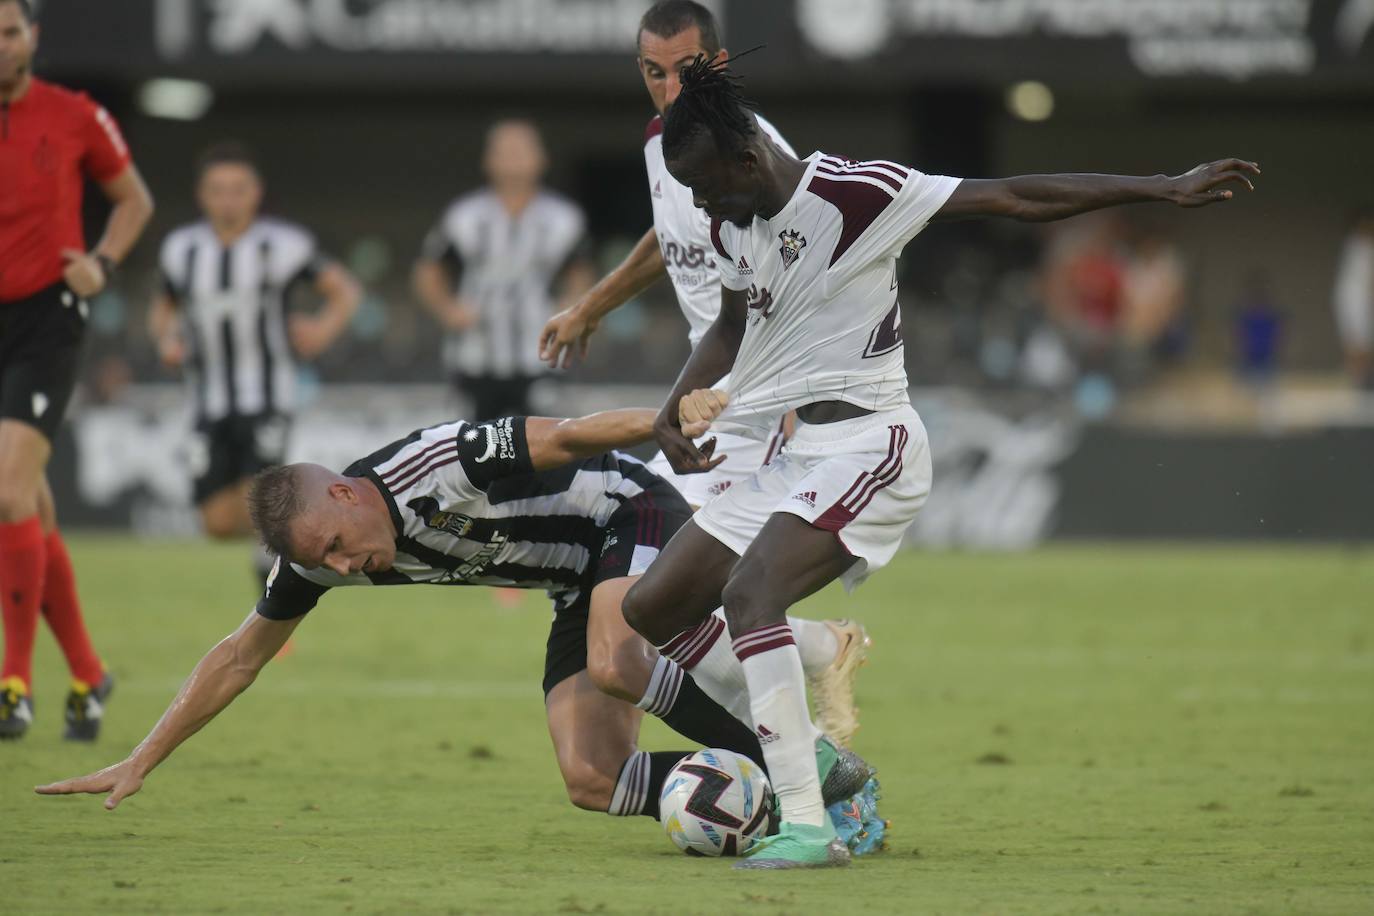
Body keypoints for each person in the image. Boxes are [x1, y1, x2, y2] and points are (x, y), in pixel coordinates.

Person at [619, 56, 1259, 868]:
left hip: (872, 443)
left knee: (751, 595)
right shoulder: (731, 224)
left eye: (708, 186)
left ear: (746, 161)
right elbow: (728, 326)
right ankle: (809, 739)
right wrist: (676, 402)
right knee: (653, 611)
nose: (703, 205)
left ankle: (809, 828)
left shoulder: (858, 196)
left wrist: (1161, 186)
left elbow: (1014, 195)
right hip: (793, 453)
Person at [34, 404, 882, 850]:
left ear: (343, 494)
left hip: (625, 510)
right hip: (565, 581)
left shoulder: (436, 463)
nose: (342, 568)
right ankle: (776, 797)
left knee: (617, 656)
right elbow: (239, 658)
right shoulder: (321, 554)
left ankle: (807, 766)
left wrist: (680, 421)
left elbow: (569, 433)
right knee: (590, 776)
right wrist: (143, 757)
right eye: (321, 564)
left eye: (336, 548)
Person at [538, 0, 870, 745]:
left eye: (684, 72)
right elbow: (670, 237)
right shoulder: (667, 142)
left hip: (761, 399)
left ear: (716, 65)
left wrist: (791, 396)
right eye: (653, 74)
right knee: (670, 605)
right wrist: (591, 307)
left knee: (657, 609)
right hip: (709, 403)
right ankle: (818, 671)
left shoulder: (755, 150)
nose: (668, 89)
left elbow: (811, 271)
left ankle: (816, 769)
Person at [0, 0, 154, 741]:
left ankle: (15, 682)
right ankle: (89, 676)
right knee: (30, 503)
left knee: (6, 490)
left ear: (33, 35)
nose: (0, 45)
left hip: (47, 319)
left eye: (9, 30)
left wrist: (102, 263)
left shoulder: (74, 114)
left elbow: (134, 200)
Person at [148, 141, 361, 576]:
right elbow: (162, 307)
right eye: (218, 189)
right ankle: (301, 525)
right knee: (216, 523)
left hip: (270, 395)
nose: (229, 200)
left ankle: (280, 572)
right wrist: (166, 340)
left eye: (238, 189)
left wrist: (320, 331)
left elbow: (344, 290)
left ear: (256, 192)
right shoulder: (181, 250)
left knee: (259, 495)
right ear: (202, 195)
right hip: (206, 400)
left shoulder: (284, 245)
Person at [414, 119, 594, 420]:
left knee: (543, 445)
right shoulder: (464, 216)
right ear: (488, 160)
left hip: (539, 354)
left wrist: (569, 309)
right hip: (475, 355)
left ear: (542, 158)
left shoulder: (564, 218)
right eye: (504, 150)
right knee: (473, 449)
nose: (513, 158)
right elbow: (428, 270)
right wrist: (448, 310)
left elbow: (581, 272)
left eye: (522, 149)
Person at [1332, 207, 1374, 389]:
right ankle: (1357, 381)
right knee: (1357, 342)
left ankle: (1361, 380)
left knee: (1362, 343)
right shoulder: (1358, 245)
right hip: (1354, 297)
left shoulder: (1364, 245)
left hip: (1358, 297)